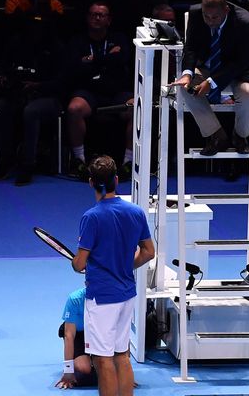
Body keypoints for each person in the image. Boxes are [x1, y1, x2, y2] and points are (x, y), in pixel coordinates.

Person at [71, 155, 155, 396]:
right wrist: (126, 266)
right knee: (122, 356)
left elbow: (80, 263)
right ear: (116, 181)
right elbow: (149, 252)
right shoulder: (136, 212)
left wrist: (76, 264)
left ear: (90, 183)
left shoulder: (91, 217)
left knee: (102, 360)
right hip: (127, 294)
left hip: (102, 299)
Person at [170, 0, 249, 156]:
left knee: (248, 94)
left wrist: (211, 82)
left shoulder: (245, 21)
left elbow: (240, 62)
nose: (210, 21)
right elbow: (191, 47)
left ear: (226, 10)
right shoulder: (195, 13)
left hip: (242, 70)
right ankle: (216, 135)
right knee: (184, 87)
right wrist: (187, 74)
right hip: (208, 66)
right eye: (206, 16)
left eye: (215, 17)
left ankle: (240, 135)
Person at [64, 1, 134, 181]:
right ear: (87, 18)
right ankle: (79, 160)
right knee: (74, 109)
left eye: (101, 15)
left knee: (136, 108)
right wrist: (108, 57)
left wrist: (92, 60)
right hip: (89, 91)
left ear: (108, 20)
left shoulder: (119, 38)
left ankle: (128, 162)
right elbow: (75, 67)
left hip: (116, 91)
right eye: (93, 14)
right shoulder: (77, 41)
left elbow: (122, 59)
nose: (96, 17)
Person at [0, 17, 65, 186]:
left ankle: (28, 165)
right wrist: (3, 78)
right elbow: (1, 68)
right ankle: (5, 160)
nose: (35, 31)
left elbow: (62, 82)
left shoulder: (56, 47)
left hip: (48, 97)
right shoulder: (16, 44)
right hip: (18, 93)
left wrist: (38, 85)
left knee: (31, 111)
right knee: (3, 106)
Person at [55, 287, 98, 390]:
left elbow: (120, 331)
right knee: (84, 368)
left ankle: (94, 360)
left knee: (106, 365)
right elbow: (69, 335)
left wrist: (125, 370)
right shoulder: (75, 299)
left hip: (97, 332)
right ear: (86, 283)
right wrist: (68, 370)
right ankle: (79, 360)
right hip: (77, 333)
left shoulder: (111, 298)